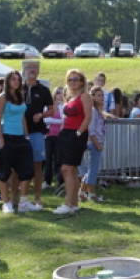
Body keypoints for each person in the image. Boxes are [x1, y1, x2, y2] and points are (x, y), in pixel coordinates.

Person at [0, 71, 35, 214]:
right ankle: (6, 203)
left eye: (18, 79)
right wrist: (1, 140)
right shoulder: (3, 97)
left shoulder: (20, 96)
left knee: (27, 170)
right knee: (4, 171)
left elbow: (22, 117)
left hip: (21, 138)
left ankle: (23, 202)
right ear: (8, 81)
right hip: (7, 136)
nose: (16, 82)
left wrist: (26, 135)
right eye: (13, 79)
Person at [54, 69, 92, 215]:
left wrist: (78, 133)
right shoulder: (70, 96)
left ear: (82, 81)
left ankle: (68, 204)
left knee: (67, 169)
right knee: (72, 169)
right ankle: (74, 203)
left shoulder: (85, 96)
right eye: (70, 79)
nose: (72, 82)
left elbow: (88, 117)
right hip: (66, 133)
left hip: (76, 134)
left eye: (76, 79)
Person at [19, 60, 55, 211]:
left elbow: (52, 110)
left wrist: (41, 115)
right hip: (18, 131)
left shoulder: (43, 89)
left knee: (37, 165)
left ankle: (37, 197)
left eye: (35, 68)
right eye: (29, 68)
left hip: (37, 131)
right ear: (24, 71)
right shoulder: (18, 88)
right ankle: (17, 197)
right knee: (17, 165)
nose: (32, 70)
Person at [79, 86, 106, 203]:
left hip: (97, 141)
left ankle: (82, 193)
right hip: (94, 142)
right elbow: (91, 130)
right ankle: (92, 194)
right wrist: (97, 144)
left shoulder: (97, 110)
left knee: (92, 169)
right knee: (93, 170)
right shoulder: (93, 111)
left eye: (102, 95)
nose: (101, 98)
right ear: (93, 97)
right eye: (99, 95)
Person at [43, 87, 65, 190]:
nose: (59, 96)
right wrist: (57, 121)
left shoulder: (63, 107)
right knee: (48, 159)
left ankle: (59, 181)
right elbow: (45, 120)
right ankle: (47, 181)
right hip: (48, 136)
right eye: (58, 93)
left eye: (61, 94)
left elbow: (63, 121)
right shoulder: (48, 107)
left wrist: (52, 120)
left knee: (58, 159)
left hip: (59, 136)